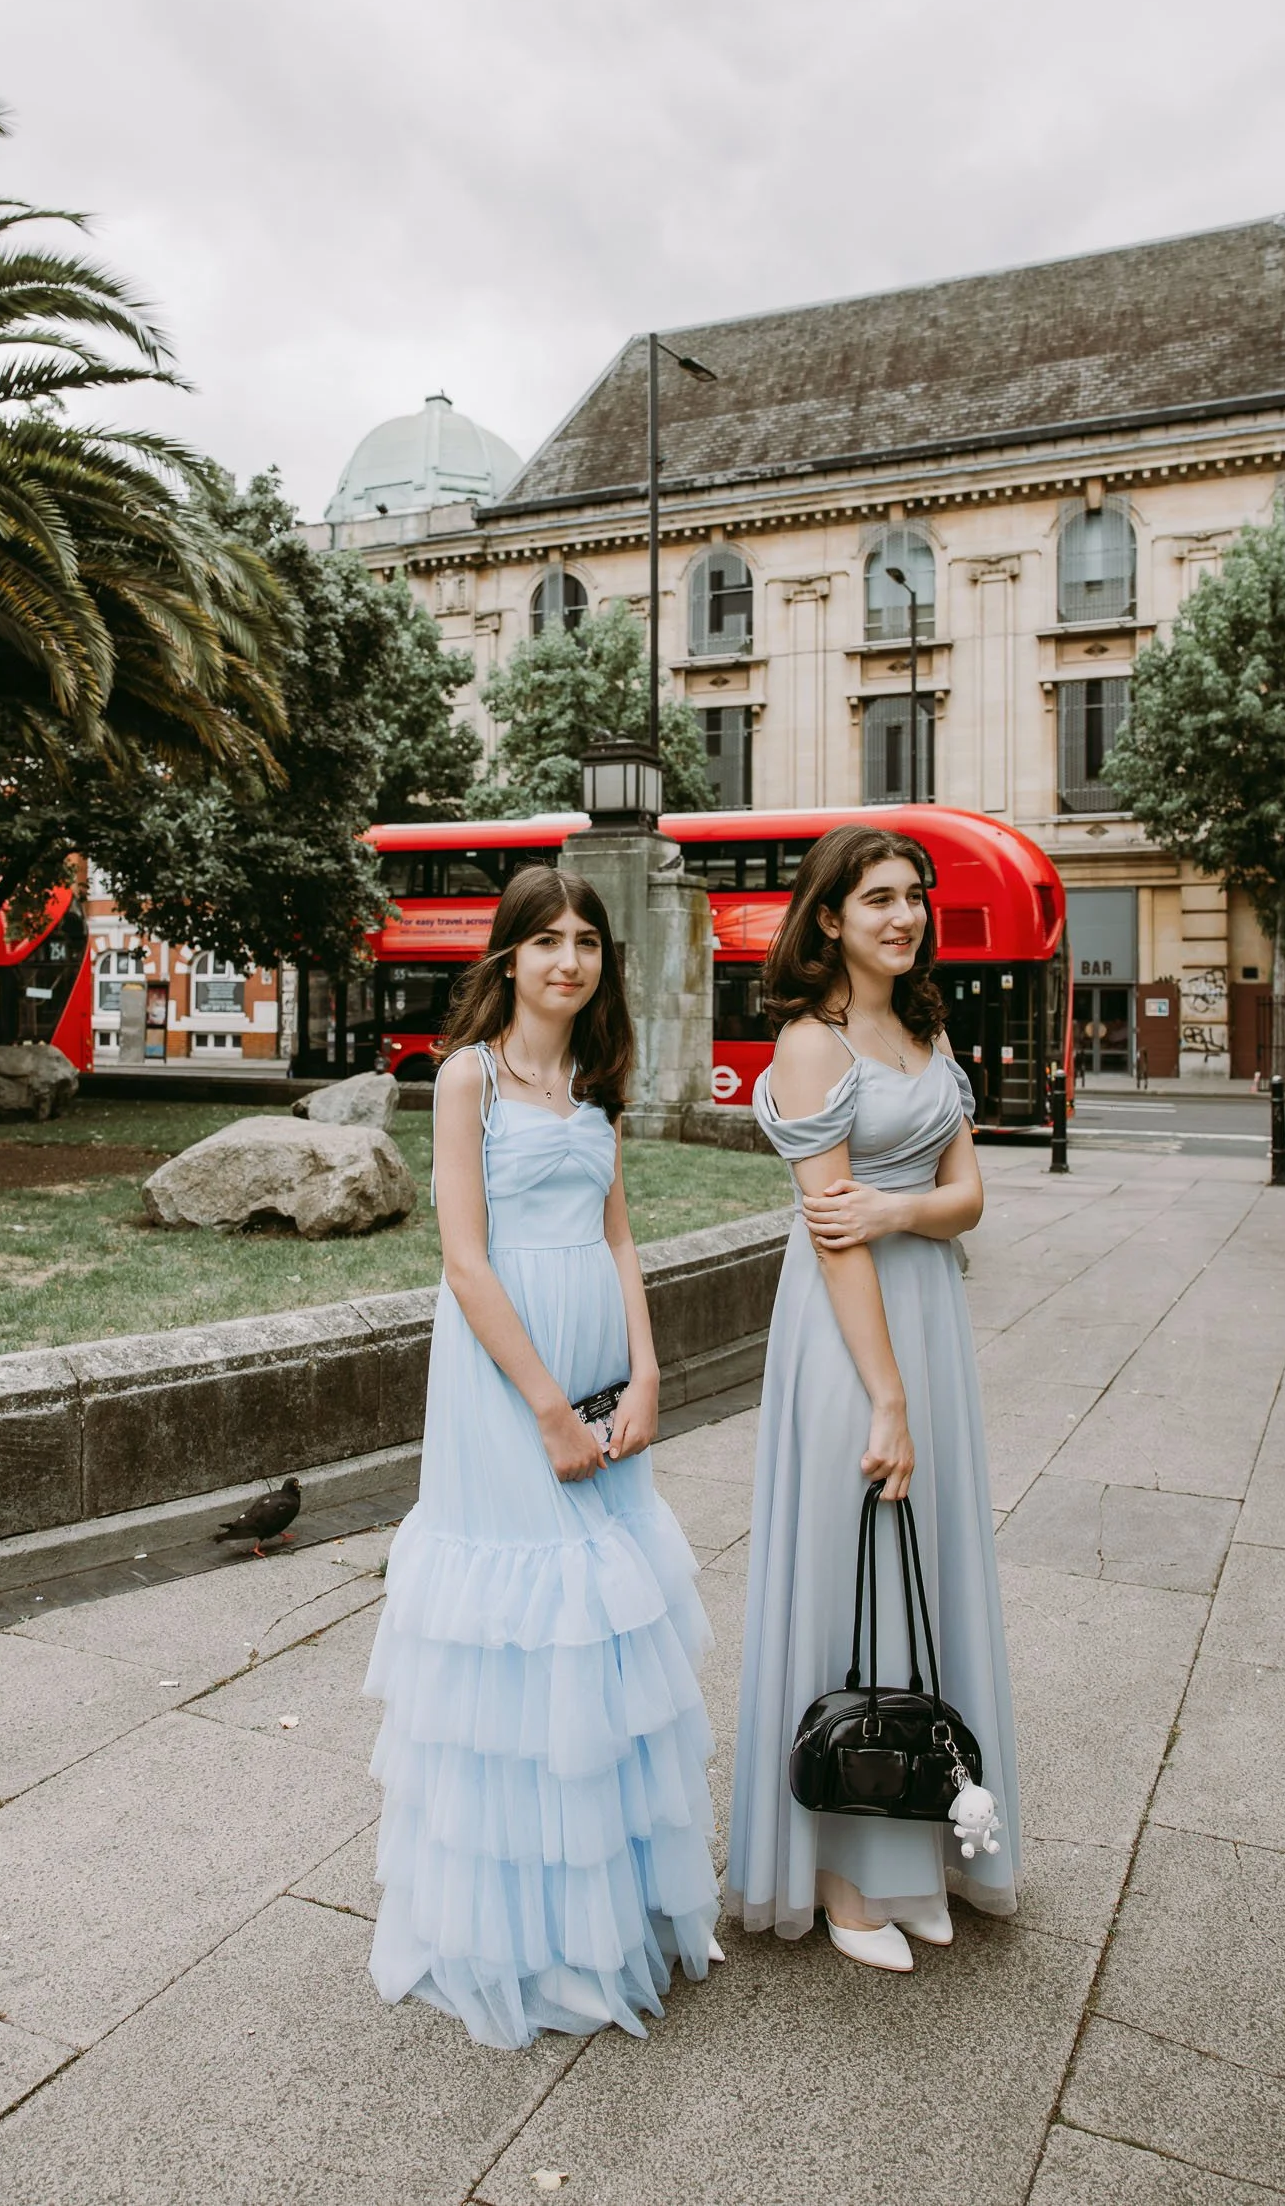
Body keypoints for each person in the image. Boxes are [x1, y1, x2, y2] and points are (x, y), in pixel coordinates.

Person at [364, 863, 721, 2048]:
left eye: (586, 941)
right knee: (527, 1634)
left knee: (608, 1634)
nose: (567, 959)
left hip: (605, 1374)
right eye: (545, 940)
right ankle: (518, 1940)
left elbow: (620, 1235)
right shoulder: (465, 1076)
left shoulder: (596, 1079)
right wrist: (548, 1411)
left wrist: (650, 1368)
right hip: (502, 1383)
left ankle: (608, 1921)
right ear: (507, 957)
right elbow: (465, 1261)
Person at [725, 825, 1020, 1973]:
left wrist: (898, 1210)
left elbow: (968, 1195)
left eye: (914, 897)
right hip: (849, 1339)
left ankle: (914, 1855)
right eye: (878, 900)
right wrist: (884, 1398)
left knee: (925, 1562)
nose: (902, 917)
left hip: (928, 1315)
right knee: (847, 1572)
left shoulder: (924, 1024)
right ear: (830, 918)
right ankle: (845, 1874)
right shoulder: (810, 1043)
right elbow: (828, 1233)